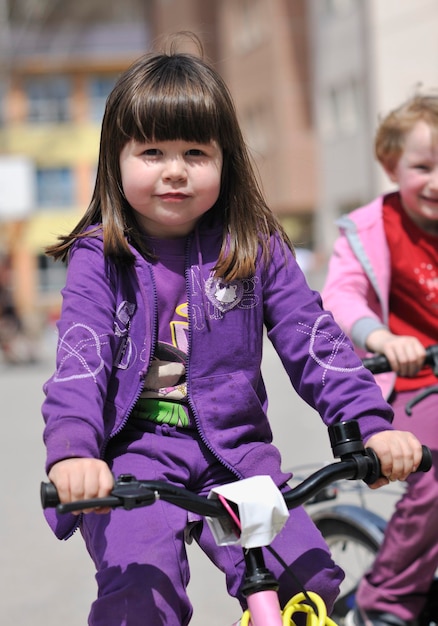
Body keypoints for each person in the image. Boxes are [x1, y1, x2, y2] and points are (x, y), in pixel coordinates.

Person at [42, 37, 423, 626]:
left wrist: (372, 426)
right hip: (137, 459)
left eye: (196, 152)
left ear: (226, 159)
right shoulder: (103, 257)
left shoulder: (254, 247)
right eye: (152, 152)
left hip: (236, 456)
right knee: (143, 594)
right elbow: (81, 362)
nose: (175, 170)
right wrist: (74, 452)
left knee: (307, 579)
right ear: (115, 161)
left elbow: (314, 341)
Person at [322, 92, 438, 626]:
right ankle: (386, 596)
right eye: (422, 166)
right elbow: (341, 296)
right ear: (391, 164)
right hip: (413, 384)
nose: (436, 181)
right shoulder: (372, 227)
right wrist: (383, 338)